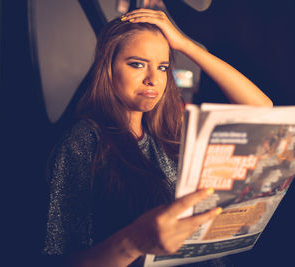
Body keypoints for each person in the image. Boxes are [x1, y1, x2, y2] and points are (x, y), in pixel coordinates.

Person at [42, 8, 273, 267]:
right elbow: (62, 258)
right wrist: (132, 242)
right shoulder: (83, 141)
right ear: (107, 68)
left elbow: (261, 109)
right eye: (137, 64)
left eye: (162, 67)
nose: (153, 79)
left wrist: (185, 45)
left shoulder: (172, 129)